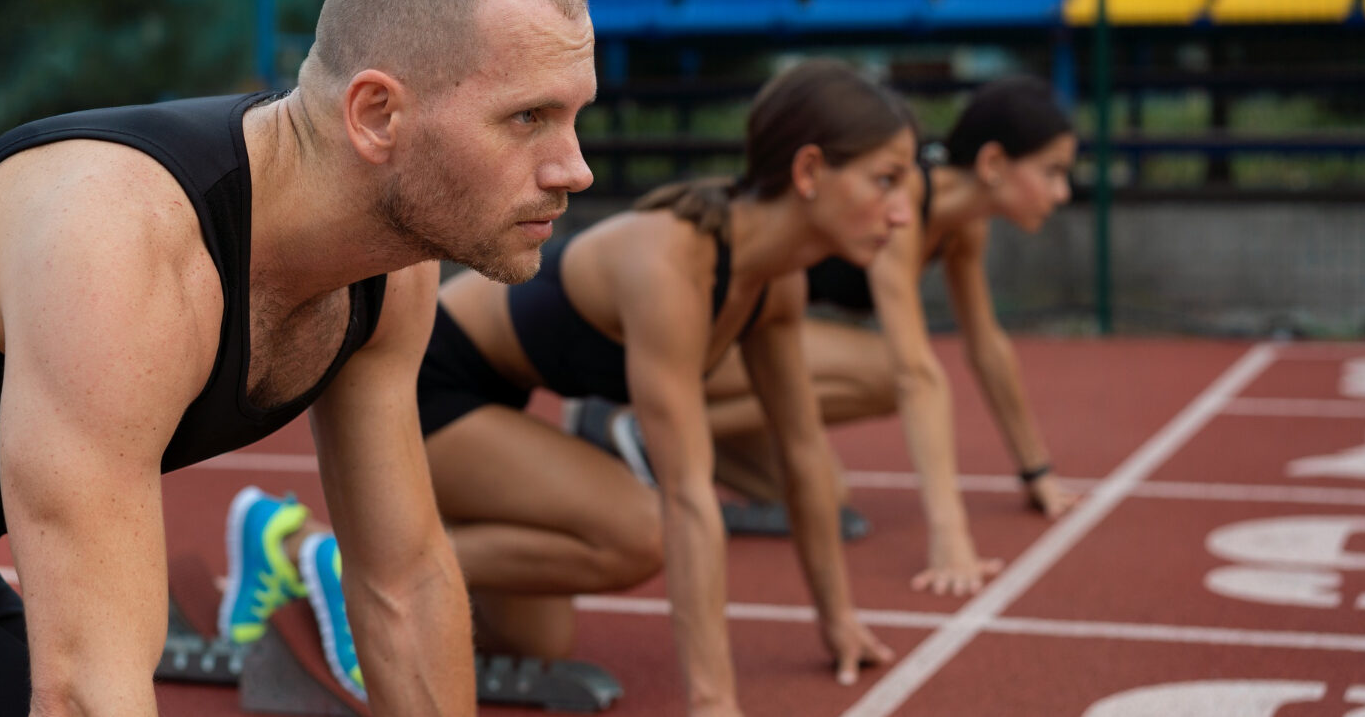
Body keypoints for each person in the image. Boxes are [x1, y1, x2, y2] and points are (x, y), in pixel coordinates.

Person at [0, 0, 594, 715]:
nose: (576, 169)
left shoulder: (393, 271)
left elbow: (401, 584)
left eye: (575, 116)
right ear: (376, 114)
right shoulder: (119, 244)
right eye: (527, 117)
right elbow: (83, 690)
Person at [232, 58, 918, 715]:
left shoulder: (773, 285)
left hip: (499, 400)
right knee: (639, 530)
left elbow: (801, 453)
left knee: (534, 640)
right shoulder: (674, 263)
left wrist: (839, 620)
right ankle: (332, 558)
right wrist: (714, 702)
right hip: (428, 379)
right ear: (809, 171)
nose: (902, 214)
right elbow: (686, 495)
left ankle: (310, 551)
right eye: (885, 181)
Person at [676, 76, 1082, 596]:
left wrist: (1035, 470)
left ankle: (650, 433)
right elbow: (914, 370)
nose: (1062, 192)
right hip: (705, 335)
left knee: (829, 496)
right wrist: (951, 536)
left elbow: (987, 345)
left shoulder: (963, 224)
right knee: (888, 371)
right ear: (993, 163)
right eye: (1052, 172)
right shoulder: (901, 200)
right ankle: (652, 420)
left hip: (755, 340)